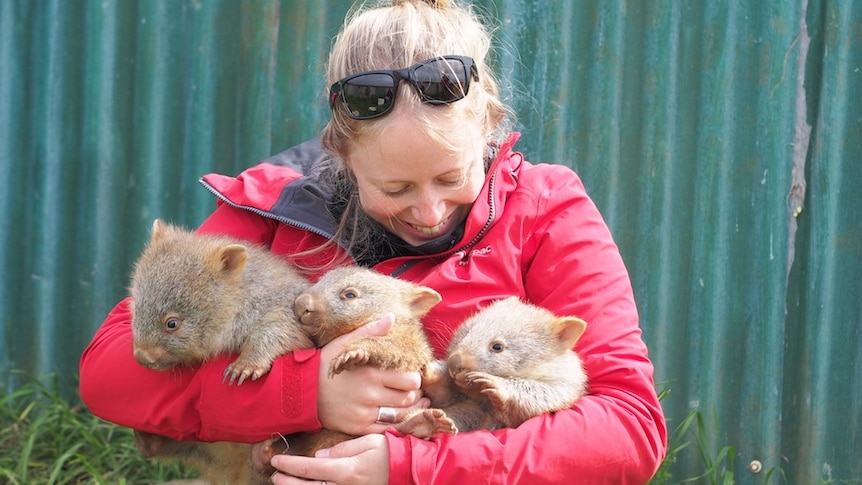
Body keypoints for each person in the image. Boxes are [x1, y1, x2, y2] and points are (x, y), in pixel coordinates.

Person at [79, 0, 667, 483]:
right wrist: (308, 393)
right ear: (340, 150)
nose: (430, 210)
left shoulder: (545, 208)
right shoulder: (273, 206)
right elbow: (110, 378)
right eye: (395, 186)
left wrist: (414, 465)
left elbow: (631, 427)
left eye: (450, 177)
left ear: (487, 121)